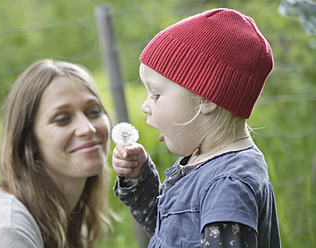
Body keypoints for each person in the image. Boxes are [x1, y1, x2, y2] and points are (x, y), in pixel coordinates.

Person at [112, 8, 281, 248]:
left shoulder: (227, 186)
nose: (145, 106)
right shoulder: (204, 158)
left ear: (206, 99)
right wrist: (139, 179)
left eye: (156, 94)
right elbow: (170, 232)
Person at [0, 59, 112, 248]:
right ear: (28, 141)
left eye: (94, 111)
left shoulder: (68, 218)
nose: (87, 128)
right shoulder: (6, 232)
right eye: (62, 119)